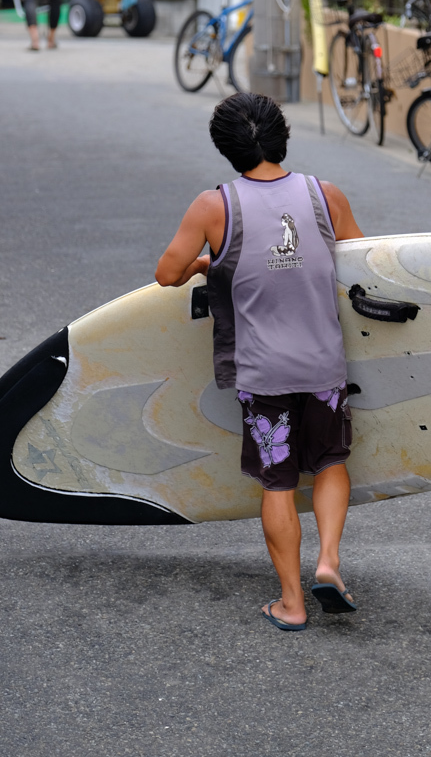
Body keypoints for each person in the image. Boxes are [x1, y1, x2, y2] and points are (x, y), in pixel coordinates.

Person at [156, 92, 364, 631]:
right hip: (323, 367)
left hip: (263, 373)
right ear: (282, 137)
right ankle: (329, 562)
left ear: (226, 149)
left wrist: (208, 263)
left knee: (278, 483)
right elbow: (367, 263)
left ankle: (292, 604)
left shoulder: (214, 206)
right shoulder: (326, 195)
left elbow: (165, 274)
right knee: (331, 463)